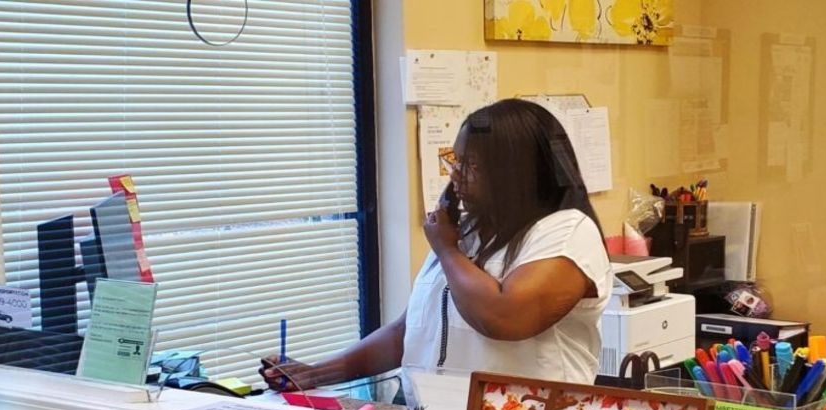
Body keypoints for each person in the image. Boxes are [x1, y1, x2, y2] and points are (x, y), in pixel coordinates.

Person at [261, 98, 611, 391]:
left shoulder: (567, 232)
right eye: (455, 161)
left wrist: (447, 251)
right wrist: (315, 374)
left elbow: (504, 317)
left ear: (517, 174)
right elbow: (410, 331)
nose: (454, 175)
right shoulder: (466, 232)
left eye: (471, 165)